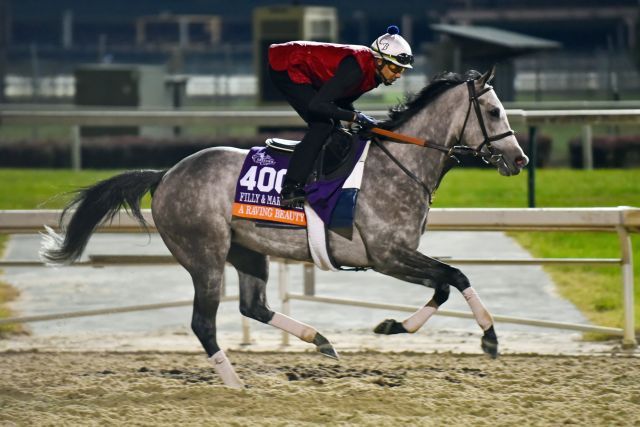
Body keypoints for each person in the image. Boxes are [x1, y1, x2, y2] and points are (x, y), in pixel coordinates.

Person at [268, 25, 413, 207]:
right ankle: (291, 188)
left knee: (337, 131)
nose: (398, 74)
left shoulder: (373, 74)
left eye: (402, 70)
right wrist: (354, 117)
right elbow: (317, 105)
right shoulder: (356, 71)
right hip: (286, 66)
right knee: (323, 126)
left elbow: (341, 100)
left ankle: (323, 182)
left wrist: (356, 117)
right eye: (394, 67)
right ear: (379, 60)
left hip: (303, 67)